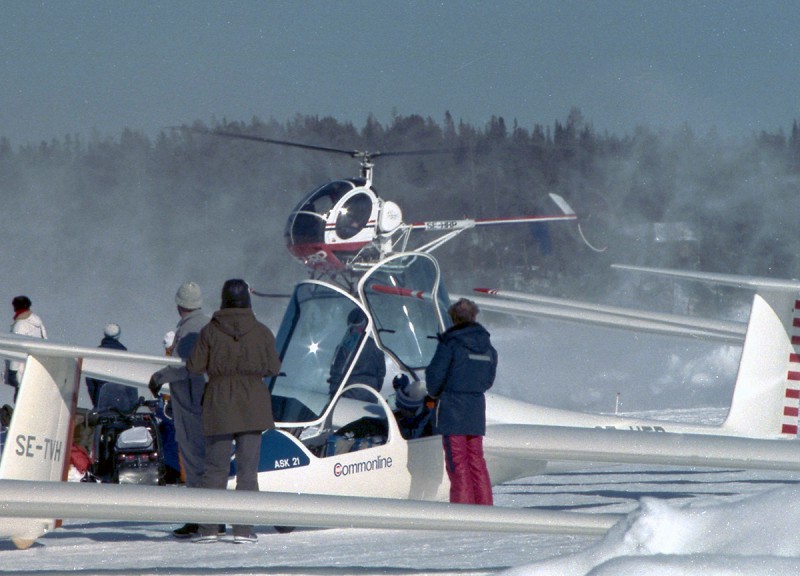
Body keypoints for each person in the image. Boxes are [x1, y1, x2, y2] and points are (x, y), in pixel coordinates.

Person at [187, 278, 281, 544]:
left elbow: (194, 366)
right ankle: (242, 529)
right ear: (247, 301)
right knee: (247, 471)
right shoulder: (262, 332)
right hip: (253, 405)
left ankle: (209, 529)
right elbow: (273, 367)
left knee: (215, 469)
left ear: (223, 299)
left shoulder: (209, 331)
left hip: (219, 404)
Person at [147, 282, 212, 539]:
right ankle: (209, 516)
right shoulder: (206, 324)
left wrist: (158, 377)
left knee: (194, 460)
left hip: (190, 402)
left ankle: (201, 519)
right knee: (205, 461)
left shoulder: (189, 330)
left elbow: (185, 365)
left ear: (179, 304)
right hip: (203, 401)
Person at [425, 298, 497, 506]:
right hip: (475, 407)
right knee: (476, 460)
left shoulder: (450, 343)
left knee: (458, 462)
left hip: (452, 407)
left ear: (453, 318)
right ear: (473, 316)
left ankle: (463, 509)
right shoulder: (487, 346)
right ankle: (485, 507)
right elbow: (488, 380)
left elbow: (435, 377)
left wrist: (435, 393)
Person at [328, 307, 386, 402]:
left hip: (349, 395)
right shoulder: (376, 345)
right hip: (370, 394)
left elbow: (336, 372)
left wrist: (333, 394)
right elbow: (381, 372)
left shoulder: (344, 346)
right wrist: (375, 389)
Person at [5, 295, 47, 403]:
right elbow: (45, 340)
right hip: (37, 365)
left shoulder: (20, 325)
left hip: (22, 368)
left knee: (21, 398)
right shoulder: (37, 322)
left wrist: (12, 371)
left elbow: (16, 349)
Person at [85, 323, 129, 408]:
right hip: (122, 403)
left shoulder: (96, 353)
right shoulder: (125, 355)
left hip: (101, 401)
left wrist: (95, 401)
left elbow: (90, 382)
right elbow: (131, 384)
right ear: (118, 336)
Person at [392, 374, 433, 440]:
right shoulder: (418, 415)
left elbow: (414, 439)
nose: (400, 410)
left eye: (400, 407)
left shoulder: (427, 422)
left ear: (409, 409)